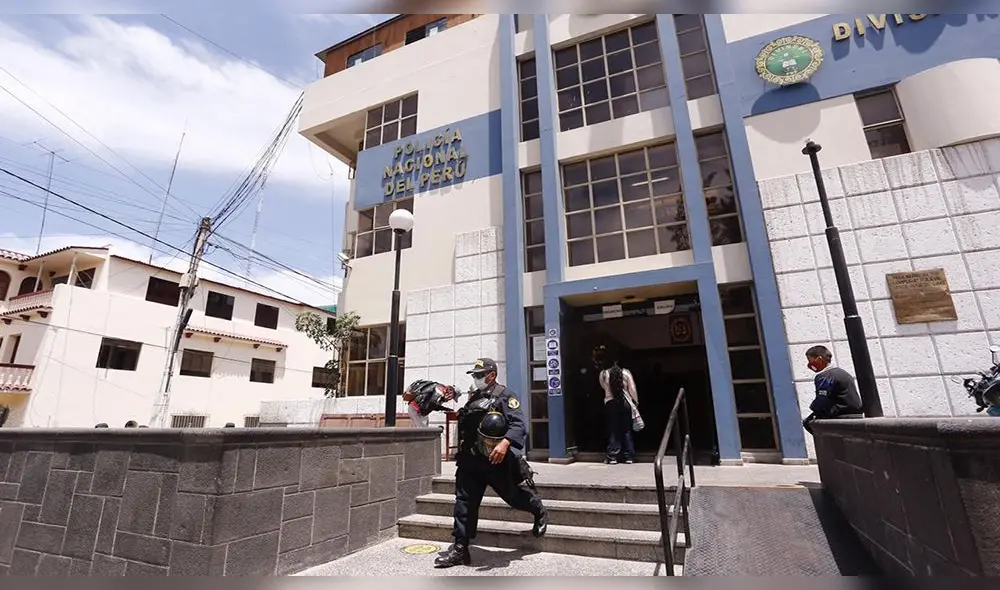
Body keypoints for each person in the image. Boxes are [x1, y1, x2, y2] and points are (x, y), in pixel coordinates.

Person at [434, 357, 548, 569]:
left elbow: (519, 424)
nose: (476, 379)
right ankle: (460, 548)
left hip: (495, 460)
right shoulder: (475, 397)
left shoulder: (505, 396)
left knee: (513, 497)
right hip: (470, 461)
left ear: (492, 375)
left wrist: (505, 443)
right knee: (464, 503)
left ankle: (538, 509)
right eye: (475, 375)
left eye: (479, 375)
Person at [801, 345, 864, 434]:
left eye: (810, 360)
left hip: (839, 414)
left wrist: (813, 407)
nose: (809, 364)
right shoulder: (843, 373)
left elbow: (822, 399)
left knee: (807, 423)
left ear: (819, 359)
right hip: (856, 414)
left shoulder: (824, 376)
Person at [597, 347, 639, 465]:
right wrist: (635, 402)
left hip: (610, 403)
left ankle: (613, 456)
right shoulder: (626, 372)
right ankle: (629, 456)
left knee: (613, 430)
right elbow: (632, 388)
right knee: (627, 429)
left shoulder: (603, 374)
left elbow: (603, 387)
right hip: (625, 402)